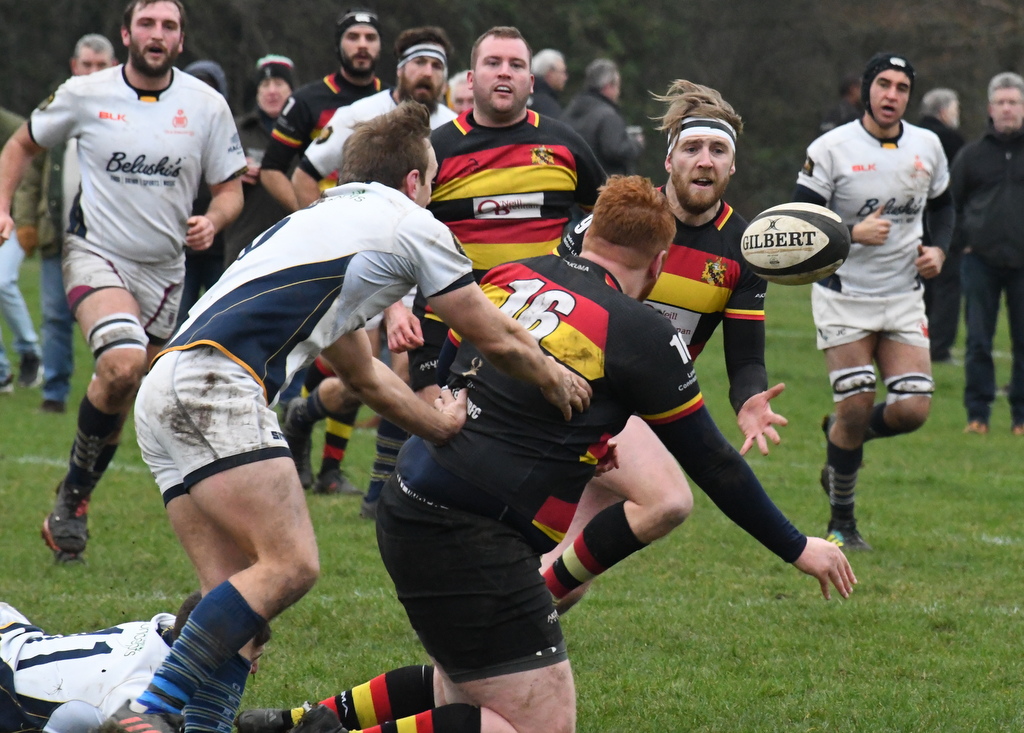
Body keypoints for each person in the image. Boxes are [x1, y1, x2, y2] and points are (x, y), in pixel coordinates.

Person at [242, 176, 854, 733]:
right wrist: (797, 547)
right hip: (471, 534)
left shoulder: (512, 274)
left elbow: (460, 356)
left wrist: (578, 438)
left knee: (467, 685)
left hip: (414, 500)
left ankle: (303, 722)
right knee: (540, 725)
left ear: (588, 233)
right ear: (659, 263)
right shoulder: (641, 332)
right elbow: (714, 463)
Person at [110, 102, 589, 733]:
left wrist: (439, 426)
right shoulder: (409, 223)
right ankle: (151, 709)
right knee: (291, 565)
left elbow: (363, 375)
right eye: (433, 178)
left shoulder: (319, 223)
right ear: (415, 181)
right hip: (216, 385)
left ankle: (205, 727)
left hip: (165, 386)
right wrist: (556, 376)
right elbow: (493, 333)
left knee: (240, 591)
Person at [0, 0, 246, 563]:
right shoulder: (86, 93)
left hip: (166, 273)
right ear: (127, 34)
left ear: (180, 39)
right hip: (96, 254)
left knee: (126, 390)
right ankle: (74, 497)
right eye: (147, 24)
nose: (157, 34)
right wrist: (3, 206)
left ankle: (74, 495)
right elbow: (21, 144)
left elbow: (230, 189)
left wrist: (214, 220)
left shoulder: (206, 105)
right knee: (121, 364)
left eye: (168, 26)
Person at [543, 79, 789, 611]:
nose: (705, 160)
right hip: (572, 397)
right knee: (663, 502)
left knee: (566, 578)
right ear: (669, 159)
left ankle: (498, 639)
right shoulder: (620, 218)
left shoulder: (742, 250)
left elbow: (746, 356)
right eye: (693, 148)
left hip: (643, 411)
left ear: (732, 166)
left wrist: (750, 399)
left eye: (718, 150)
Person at [286, 26, 457, 497]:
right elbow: (304, 175)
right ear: (399, 69)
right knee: (361, 373)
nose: (427, 73)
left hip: (418, 261)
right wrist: (324, 237)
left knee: (399, 371)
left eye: (437, 66)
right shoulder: (358, 115)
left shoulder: (453, 126)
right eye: (419, 63)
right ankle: (312, 427)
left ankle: (375, 484)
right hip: (360, 259)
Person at [793, 52, 954, 551]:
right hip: (844, 296)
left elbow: (944, 206)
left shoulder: (928, 145)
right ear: (866, 90)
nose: (891, 95)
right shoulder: (831, 148)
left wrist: (939, 250)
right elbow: (800, 222)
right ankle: (842, 522)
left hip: (903, 294)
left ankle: (842, 433)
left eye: (902, 88)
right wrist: (850, 231)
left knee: (913, 410)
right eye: (883, 84)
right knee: (858, 401)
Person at [15, 33, 116, 413]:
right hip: (57, 234)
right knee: (56, 317)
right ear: (74, 66)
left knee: (107, 320)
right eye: (87, 64)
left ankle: (110, 388)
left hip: (111, 241)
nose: (93, 71)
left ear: (114, 67)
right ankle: (54, 393)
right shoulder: (54, 108)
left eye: (100, 65)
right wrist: (26, 221)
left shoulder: (126, 113)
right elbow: (30, 170)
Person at [0, 593, 272, 733]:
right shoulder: (141, 692)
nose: (253, 669)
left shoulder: (165, 631)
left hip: (12, 632)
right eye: (250, 660)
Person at [952, 72, 1024, 435]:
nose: (1007, 109)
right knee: (978, 340)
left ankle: (1021, 418)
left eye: (1014, 102)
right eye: (1001, 102)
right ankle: (977, 415)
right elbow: (952, 204)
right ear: (990, 108)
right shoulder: (972, 155)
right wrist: (963, 241)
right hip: (980, 261)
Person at [259, 8, 383, 213]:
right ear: (338, 45)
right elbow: (271, 170)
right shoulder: (306, 100)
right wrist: (306, 212)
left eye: (370, 38)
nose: (362, 44)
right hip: (327, 215)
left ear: (380, 45)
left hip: (380, 217)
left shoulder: (393, 99)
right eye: (353, 37)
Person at [223, 55, 295, 267]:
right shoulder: (235, 129)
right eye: (265, 84)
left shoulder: (306, 132)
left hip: (294, 241)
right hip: (244, 243)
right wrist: (232, 172)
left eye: (279, 83)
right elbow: (207, 178)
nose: (271, 91)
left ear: (292, 90)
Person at [176, 59, 232, 329]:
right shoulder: (169, 133)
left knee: (222, 324)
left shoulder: (231, 135)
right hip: (177, 249)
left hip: (223, 249)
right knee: (173, 327)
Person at [918, 87, 966, 364]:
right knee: (947, 284)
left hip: (911, 222)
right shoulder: (951, 140)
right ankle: (939, 347)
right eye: (955, 108)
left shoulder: (910, 136)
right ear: (944, 110)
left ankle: (916, 337)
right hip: (943, 223)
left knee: (919, 282)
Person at [0, 106, 42, 395]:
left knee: (2, 281)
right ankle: (2, 372)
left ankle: (30, 352)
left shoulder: (12, 125)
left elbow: (28, 170)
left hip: (14, 217)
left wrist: (26, 221)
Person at [562, 58, 644, 175]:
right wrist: (636, 144)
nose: (618, 92)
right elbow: (615, 150)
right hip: (603, 182)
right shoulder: (608, 116)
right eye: (617, 86)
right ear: (608, 86)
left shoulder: (570, 110)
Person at [528, 48, 567, 117]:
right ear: (550, 73)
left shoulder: (523, 97)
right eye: (562, 72)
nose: (565, 77)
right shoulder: (547, 106)